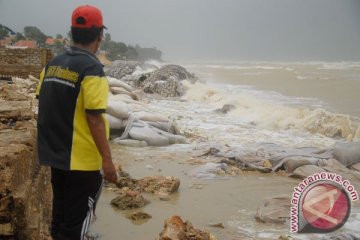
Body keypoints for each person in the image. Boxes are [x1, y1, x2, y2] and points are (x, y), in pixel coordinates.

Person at [36, 5, 118, 240]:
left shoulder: (53, 65)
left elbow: (44, 104)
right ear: (99, 36)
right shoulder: (92, 69)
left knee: (60, 220)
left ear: (72, 32)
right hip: (83, 164)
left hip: (56, 157)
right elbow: (95, 119)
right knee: (76, 226)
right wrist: (108, 161)